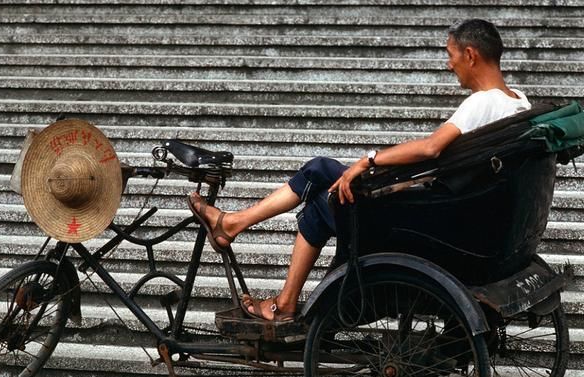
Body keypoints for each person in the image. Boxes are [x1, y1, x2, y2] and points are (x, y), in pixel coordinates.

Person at [187, 19, 532, 321]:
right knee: (321, 169)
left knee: (322, 205)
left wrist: (368, 161)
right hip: (464, 219)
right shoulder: (519, 101)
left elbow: (431, 148)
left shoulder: (483, 103)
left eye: (451, 55)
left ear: (471, 55)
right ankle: (232, 224)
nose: (449, 64)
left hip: (435, 226)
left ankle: (285, 302)